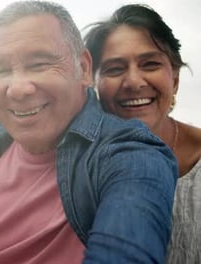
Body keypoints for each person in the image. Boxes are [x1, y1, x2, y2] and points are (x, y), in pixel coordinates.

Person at [0, 1, 178, 263]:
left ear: (83, 68)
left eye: (39, 64)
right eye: (0, 70)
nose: (17, 89)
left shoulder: (129, 152)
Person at [84, 4, 201, 263]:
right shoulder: (77, 164)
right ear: (95, 84)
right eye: (115, 69)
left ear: (175, 79)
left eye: (149, 64)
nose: (134, 82)